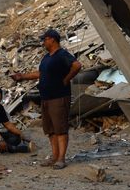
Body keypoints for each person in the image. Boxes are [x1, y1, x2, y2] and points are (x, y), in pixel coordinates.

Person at [11, 28, 81, 169]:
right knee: (51, 130)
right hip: (46, 98)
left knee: (60, 129)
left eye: (45, 39)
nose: (43, 42)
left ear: (52, 39)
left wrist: (67, 79)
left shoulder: (62, 54)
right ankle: (54, 157)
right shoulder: (47, 57)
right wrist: (22, 76)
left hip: (59, 97)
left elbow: (77, 65)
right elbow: (41, 73)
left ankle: (61, 159)